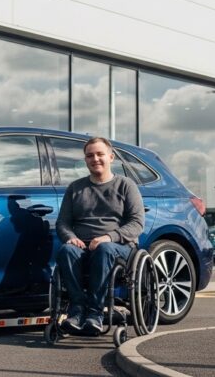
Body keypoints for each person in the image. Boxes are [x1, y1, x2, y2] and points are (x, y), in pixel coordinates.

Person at [55, 136, 144, 335]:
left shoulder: (126, 185)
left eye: (100, 154)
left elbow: (137, 223)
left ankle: (95, 313)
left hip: (119, 248)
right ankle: (77, 310)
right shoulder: (75, 188)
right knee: (66, 250)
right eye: (90, 155)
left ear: (111, 157)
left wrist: (109, 237)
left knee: (104, 249)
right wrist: (70, 237)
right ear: (85, 160)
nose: (95, 159)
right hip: (83, 246)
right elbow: (63, 222)